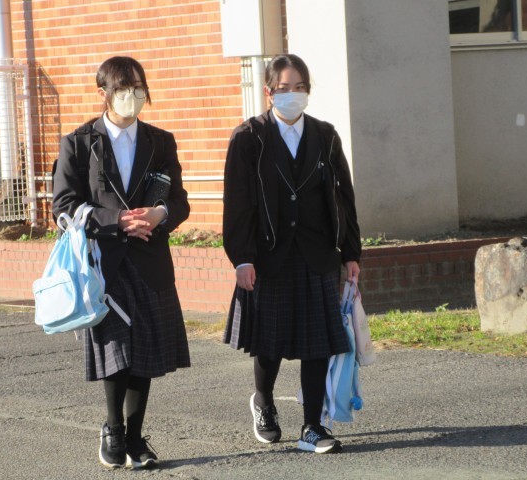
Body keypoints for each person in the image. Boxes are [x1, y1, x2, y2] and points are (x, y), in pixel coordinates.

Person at [52, 56, 190, 469]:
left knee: (143, 352)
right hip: (103, 263)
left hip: (149, 260)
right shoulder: (79, 143)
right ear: (104, 94)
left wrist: (159, 215)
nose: (133, 95)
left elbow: (179, 201)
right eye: (124, 88)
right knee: (116, 349)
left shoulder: (160, 141)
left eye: (139, 88)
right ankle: (113, 429)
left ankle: (135, 437)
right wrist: (116, 220)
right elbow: (64, 206)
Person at [222, 54, 361, 454]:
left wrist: (351, 252)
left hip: (318, 253)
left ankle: (312, 426)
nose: (292, 95)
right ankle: (263, 402)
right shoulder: (249, 138)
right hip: (269, 255)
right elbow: (238, 203)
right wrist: (242, 258)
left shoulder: (325, 136)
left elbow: (344, 197)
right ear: (268, 92)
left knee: (318, 343)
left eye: (299, 87)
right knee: (271, 342)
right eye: (283, 88)